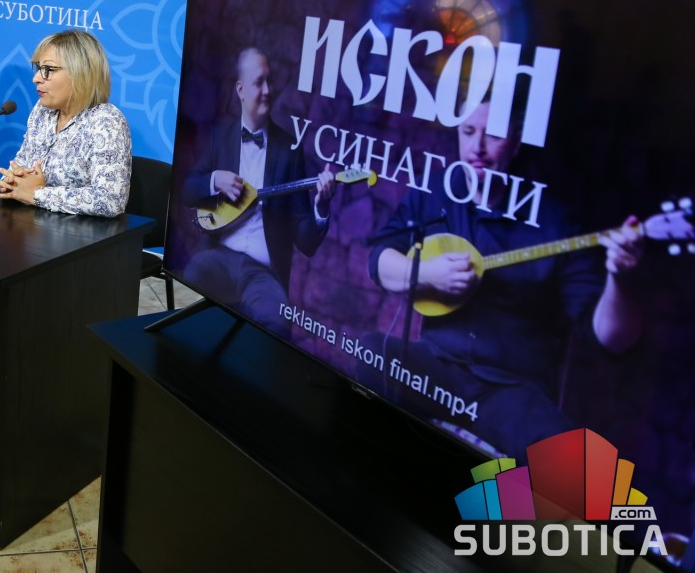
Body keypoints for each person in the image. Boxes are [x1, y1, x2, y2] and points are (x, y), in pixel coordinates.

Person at [367, 100, 644, 455]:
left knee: (578, 466)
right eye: (468, 132)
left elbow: (612, 339)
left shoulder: (555, 221)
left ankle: (478, 491)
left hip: (511, 392)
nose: (477, 147)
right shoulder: (436, 191)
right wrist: (429, 274)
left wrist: (619, 276)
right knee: (373, 353)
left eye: (494, 135)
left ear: (516, 141)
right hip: (438, 368)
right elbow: (379, 259)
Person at [180, 47, 336, 330]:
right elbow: (188, 191)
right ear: (240, 89)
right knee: (191, 280)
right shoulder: (221, 137)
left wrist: (321, 208)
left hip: (263, 272)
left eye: (270, 81)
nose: (267, 90)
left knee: (277, 322)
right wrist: (214, 180)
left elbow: (306, 242)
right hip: (218, 257)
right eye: (259, 82)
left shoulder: (289, 150)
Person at [0, 29, 131, 217]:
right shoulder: (42, 110)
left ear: (80, 73)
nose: (36, 78)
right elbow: (20, 166)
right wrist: (11, 182)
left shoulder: (106, 121)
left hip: (80, 232)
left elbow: (110, 200)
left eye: (48, 70)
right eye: (38, 68)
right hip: (35, 224)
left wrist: (37, 193)